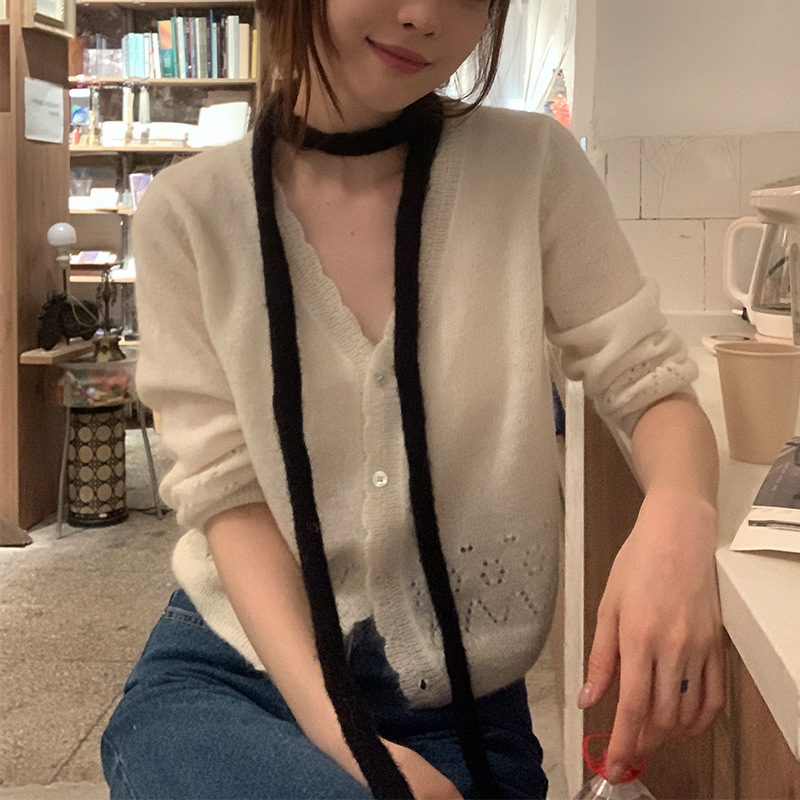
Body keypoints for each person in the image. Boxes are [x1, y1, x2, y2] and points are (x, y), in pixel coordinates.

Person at [100, 0, 725, 798]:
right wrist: (367, 760)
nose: (425, 15)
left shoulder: (530, 168)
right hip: (237, 674)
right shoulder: (188, 217)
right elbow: (229, 500)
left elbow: (648, 384)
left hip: (459, 708)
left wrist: (679, 516)